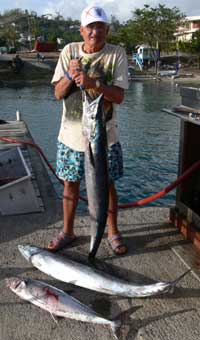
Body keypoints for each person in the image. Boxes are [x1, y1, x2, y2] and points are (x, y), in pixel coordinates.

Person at [48, 5, 129, 255]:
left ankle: (113, 232)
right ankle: (68, 231)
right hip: (71, 138)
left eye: (100, 27)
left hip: (106, 138)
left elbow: (119, 97)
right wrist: (70, 77)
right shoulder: (69, 51)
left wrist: (95, 84)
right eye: (91, 27)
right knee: (70, 185)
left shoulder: (116, 54)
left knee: (109, 185)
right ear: (82, 30)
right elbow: (58, 93)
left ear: (107, 30)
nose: (96, 32)